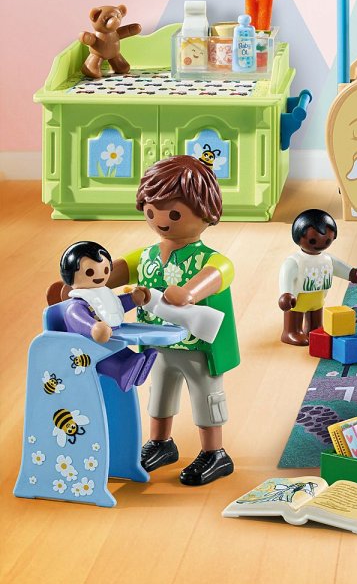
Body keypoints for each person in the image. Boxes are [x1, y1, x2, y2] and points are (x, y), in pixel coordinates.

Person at [106, 155, 240, 486]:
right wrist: (81, 283)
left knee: (206, 396)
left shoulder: (209, 258)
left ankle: (215, 453)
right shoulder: (147, 256)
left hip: (199, 347)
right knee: (160, 394)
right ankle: (161, 442)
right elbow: (113, 271)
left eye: (174, 214)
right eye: (152, 212)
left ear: (206, 211)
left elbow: (219, 274)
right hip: (156, 342)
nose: (161, 221)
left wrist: (191, 291)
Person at [55, 241, 157, 392]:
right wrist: (93, 327)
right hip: (88, 347)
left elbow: (116, 305)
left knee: (120, 350)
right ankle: (121, 372)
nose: (99, 275)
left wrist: (133, 299)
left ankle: (137, 365)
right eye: (90, 272)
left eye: (105, 269)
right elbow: (77, 319)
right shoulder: (76, 306)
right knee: (103, 357)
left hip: (110, 339)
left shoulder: (103, 293)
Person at [278, 209, 357, 345]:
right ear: (298, 237)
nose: (320, 244)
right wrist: (286, 294)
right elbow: (286, 275)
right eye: (313, 240)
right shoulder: (295, 261)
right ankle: (291, 332)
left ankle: (314, 330)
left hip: (318, 296)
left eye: (327, 240)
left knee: (316, 318)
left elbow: (339, 267)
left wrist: (352, 273)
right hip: (298, 298)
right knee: (295, 314)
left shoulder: (327, 259)